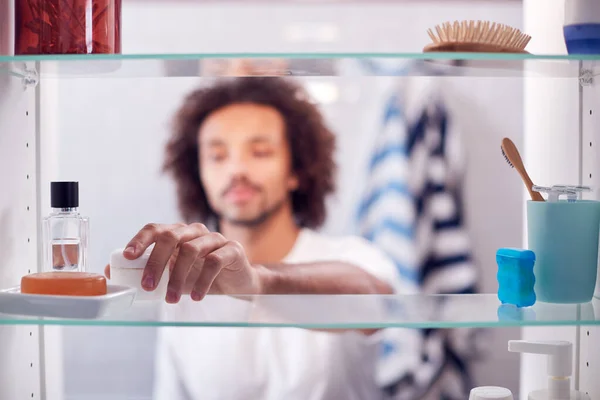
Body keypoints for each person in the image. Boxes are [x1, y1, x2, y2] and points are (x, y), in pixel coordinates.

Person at [107, 77, 410, 399]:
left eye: (260, 152)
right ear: (199, 177)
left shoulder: (353, 256)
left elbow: (371, 297)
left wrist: (257, 282)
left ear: (296, 171)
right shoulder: (183, 281)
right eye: (218, 156)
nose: (237, 169)